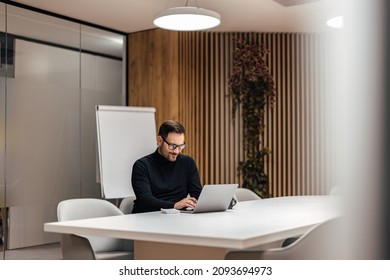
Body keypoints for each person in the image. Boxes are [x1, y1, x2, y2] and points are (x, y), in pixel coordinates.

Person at [131, 120, 202, 213]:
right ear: (160, 141)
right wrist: (174, 206)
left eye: (181, 146)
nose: (176, 151)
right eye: (172, 146)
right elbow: (145, 200)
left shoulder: (187, 163)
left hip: (178, 216)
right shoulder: (142, 166)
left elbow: (197, 194)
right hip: (148, 217)